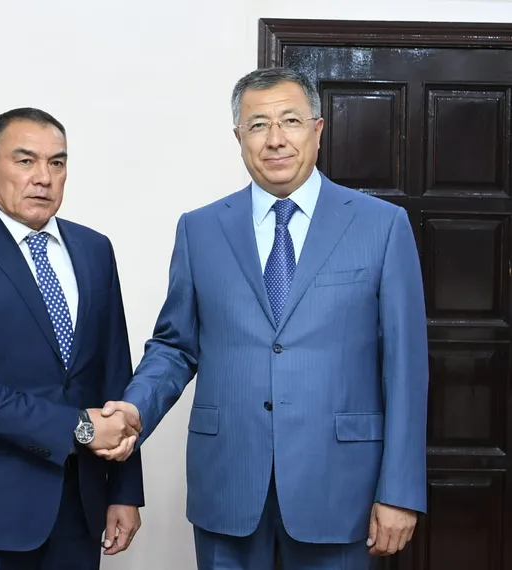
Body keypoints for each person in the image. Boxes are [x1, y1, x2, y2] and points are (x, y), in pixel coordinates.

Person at [99, 67, 429, 569]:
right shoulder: (200, 229)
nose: (275, 139)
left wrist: (400, 490)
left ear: (318, 129)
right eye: (258, 125)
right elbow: (174, 346)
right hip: (228, 480)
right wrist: (134, 410)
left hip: (340, 484)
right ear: (239, 138)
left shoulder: (381, 226)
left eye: (290, 120)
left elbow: (405, 368)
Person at [0, 107, 144, 570]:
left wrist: (124, 491)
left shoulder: (95, 250)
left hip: (81, 511)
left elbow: (115, 375)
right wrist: (79, 428)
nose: (44, 177)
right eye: (25, 161)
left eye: (57, 163)